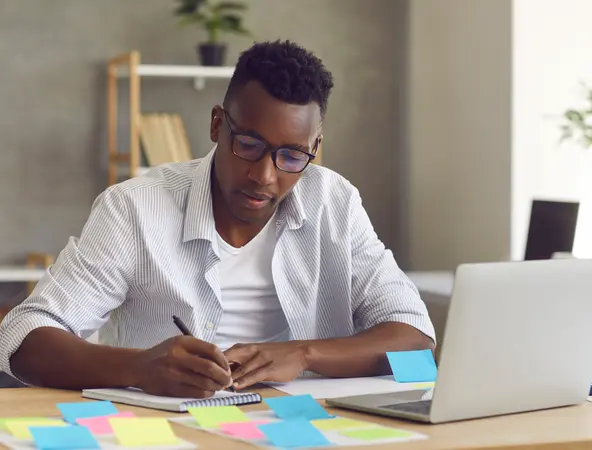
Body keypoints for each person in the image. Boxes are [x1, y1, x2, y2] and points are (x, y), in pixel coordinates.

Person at [0, 40, 435, 398]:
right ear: (216, 124)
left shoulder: (335, 203)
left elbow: (417, 343)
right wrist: (139, 366)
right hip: (166, 432)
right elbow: (20, 337)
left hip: (307, 428)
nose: (264, 176)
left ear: (313, 149)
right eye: (248, 144)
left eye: (291, 156)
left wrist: (302, 355)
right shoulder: (134, 209)